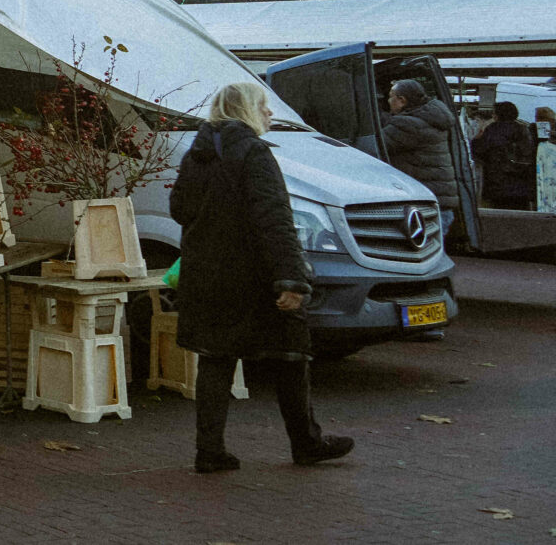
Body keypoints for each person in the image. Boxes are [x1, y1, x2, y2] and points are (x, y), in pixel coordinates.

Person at [171, 80, 353, 474]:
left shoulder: (196, 155)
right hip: (255, 277)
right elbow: (275, 219)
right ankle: (306, 442)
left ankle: (210, 450)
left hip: (207, 275)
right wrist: (291, 279)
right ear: (246, 111)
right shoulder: (253, 152)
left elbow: (180, 210)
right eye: (264, 106)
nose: (270, 114)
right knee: (291, 355)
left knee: (216, 359)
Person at [383, 79, 462, 237]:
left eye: (391, 96)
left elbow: (372, 146)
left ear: (402, 100)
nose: (387, 100)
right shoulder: (432, 118)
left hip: (424, 207)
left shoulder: (409, 125)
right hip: (440, 202)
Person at [470, 102, 537, 210]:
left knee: (501, 218)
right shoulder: (523, 129)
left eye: (494, 113)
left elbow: (479, 150)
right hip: (522, 183)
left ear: (498, 114)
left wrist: (476, 138)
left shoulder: (492, 129)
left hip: (498, 183)